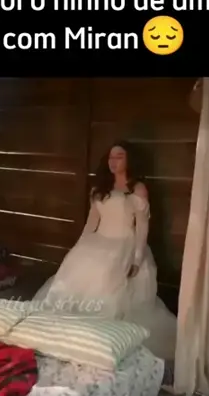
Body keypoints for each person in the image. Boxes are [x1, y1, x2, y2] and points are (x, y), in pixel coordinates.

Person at [33, 141, 177, 361]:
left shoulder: (137, 189)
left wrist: (137, 259)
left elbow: (142, 227)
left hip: (124, 242)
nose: (113, 161)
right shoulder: (99, 188)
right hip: (98, 240)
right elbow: (91, 223)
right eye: (111, 157)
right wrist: (79, 248)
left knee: (108, 277)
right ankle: (68, 329)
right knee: (78, 272)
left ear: (129, 160)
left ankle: (102, 335)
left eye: (119, 157)